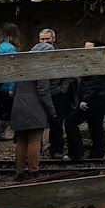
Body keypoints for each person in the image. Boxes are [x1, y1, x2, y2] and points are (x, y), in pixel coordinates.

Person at [10, 40, 56, 175]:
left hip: (18, 106)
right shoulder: (40, 68)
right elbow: (43, 92)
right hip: (34, 107)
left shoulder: (22, 66)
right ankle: (34, 170)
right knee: (35, 139)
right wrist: (52, 112)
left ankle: (19, 171)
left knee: (21, 140)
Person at [38, 28, 81, 161]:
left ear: (53, 39)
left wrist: (62, 90)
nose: (45, 42)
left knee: (57, 123)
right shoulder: (35, 54)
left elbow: (67, 74)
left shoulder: (59, 55)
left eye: (47, 39)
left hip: (57, 94)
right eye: (42, 39)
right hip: (40, 94)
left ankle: (56, 149)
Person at [76, 40, 105, 160]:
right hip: (97, 97)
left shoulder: (98, 63)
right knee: (95, 126)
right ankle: (97, 152)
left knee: (85, 124)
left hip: (97, 98)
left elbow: (94, 83)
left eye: (89, 48)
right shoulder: (93, 62)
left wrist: (85, 99)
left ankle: (88, 152)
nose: (85, 51)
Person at [0, 22, 20, 125]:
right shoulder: (10, 48)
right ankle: (1, 132)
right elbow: (12, 69)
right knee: (7, 111)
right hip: (6, 85)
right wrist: (12, 89)